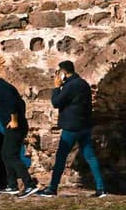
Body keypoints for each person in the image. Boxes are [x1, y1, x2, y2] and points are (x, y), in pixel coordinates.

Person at [38, 60, 107, 198]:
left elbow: (56, 102)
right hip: (85, 126)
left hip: (71, 127)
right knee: (90, 156)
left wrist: (57, 87)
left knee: (61, 158)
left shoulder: (71, 86)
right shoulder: (83, 84)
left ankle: (52, 188)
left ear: (63, 72)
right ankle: (101, 188)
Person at [0, 71, 40, 197]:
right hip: (14, 126)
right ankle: (12, 185)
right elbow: (21, 103)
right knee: (5, 153)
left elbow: (12, 104)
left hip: (15, 127)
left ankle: (29, 185)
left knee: (11, 155)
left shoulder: (2, 89)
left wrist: (14, 120)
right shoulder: (3, 87)